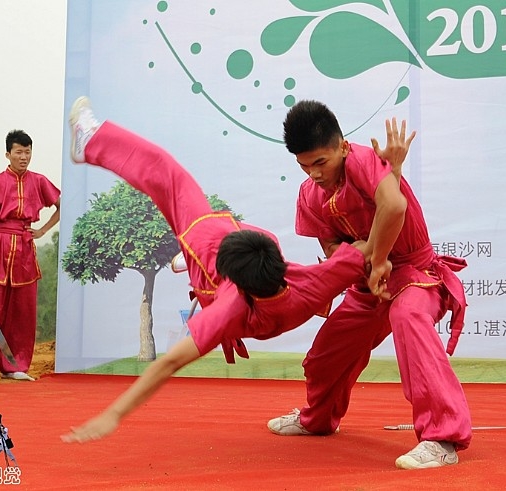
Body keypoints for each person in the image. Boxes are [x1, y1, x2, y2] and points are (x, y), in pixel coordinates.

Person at [61, 96, 409, 443]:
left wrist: (114, 415)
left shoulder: (228, 304)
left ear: (235, 282)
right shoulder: (312, 282)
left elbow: (168, 364)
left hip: (206, 251)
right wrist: (391, 176)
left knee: (167, 173)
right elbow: (364, 249)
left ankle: (92, 141)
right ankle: (201, 251)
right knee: (266, 237)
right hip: (237, 250)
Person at [268, 100, 471, 470]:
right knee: (326, 353)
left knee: (409, 318)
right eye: (304, 165)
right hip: (365, 283)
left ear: (342, 146)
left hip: (415, 274)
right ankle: (318, 419)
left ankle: (442, 439)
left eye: (321, 162)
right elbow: (332, 249)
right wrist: (359, 263)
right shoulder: (309, 195)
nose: (314, 173)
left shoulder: (364, 161)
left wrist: (376, 255)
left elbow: (394, 207)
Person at [0, 130, 61, 383]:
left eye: (27, 152)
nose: (24, 157)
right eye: (19, 152)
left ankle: (16, 365)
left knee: (23, 309)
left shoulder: (39, 181)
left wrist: (42, 230)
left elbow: (62, 205)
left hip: (25, 246)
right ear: (8, 154)